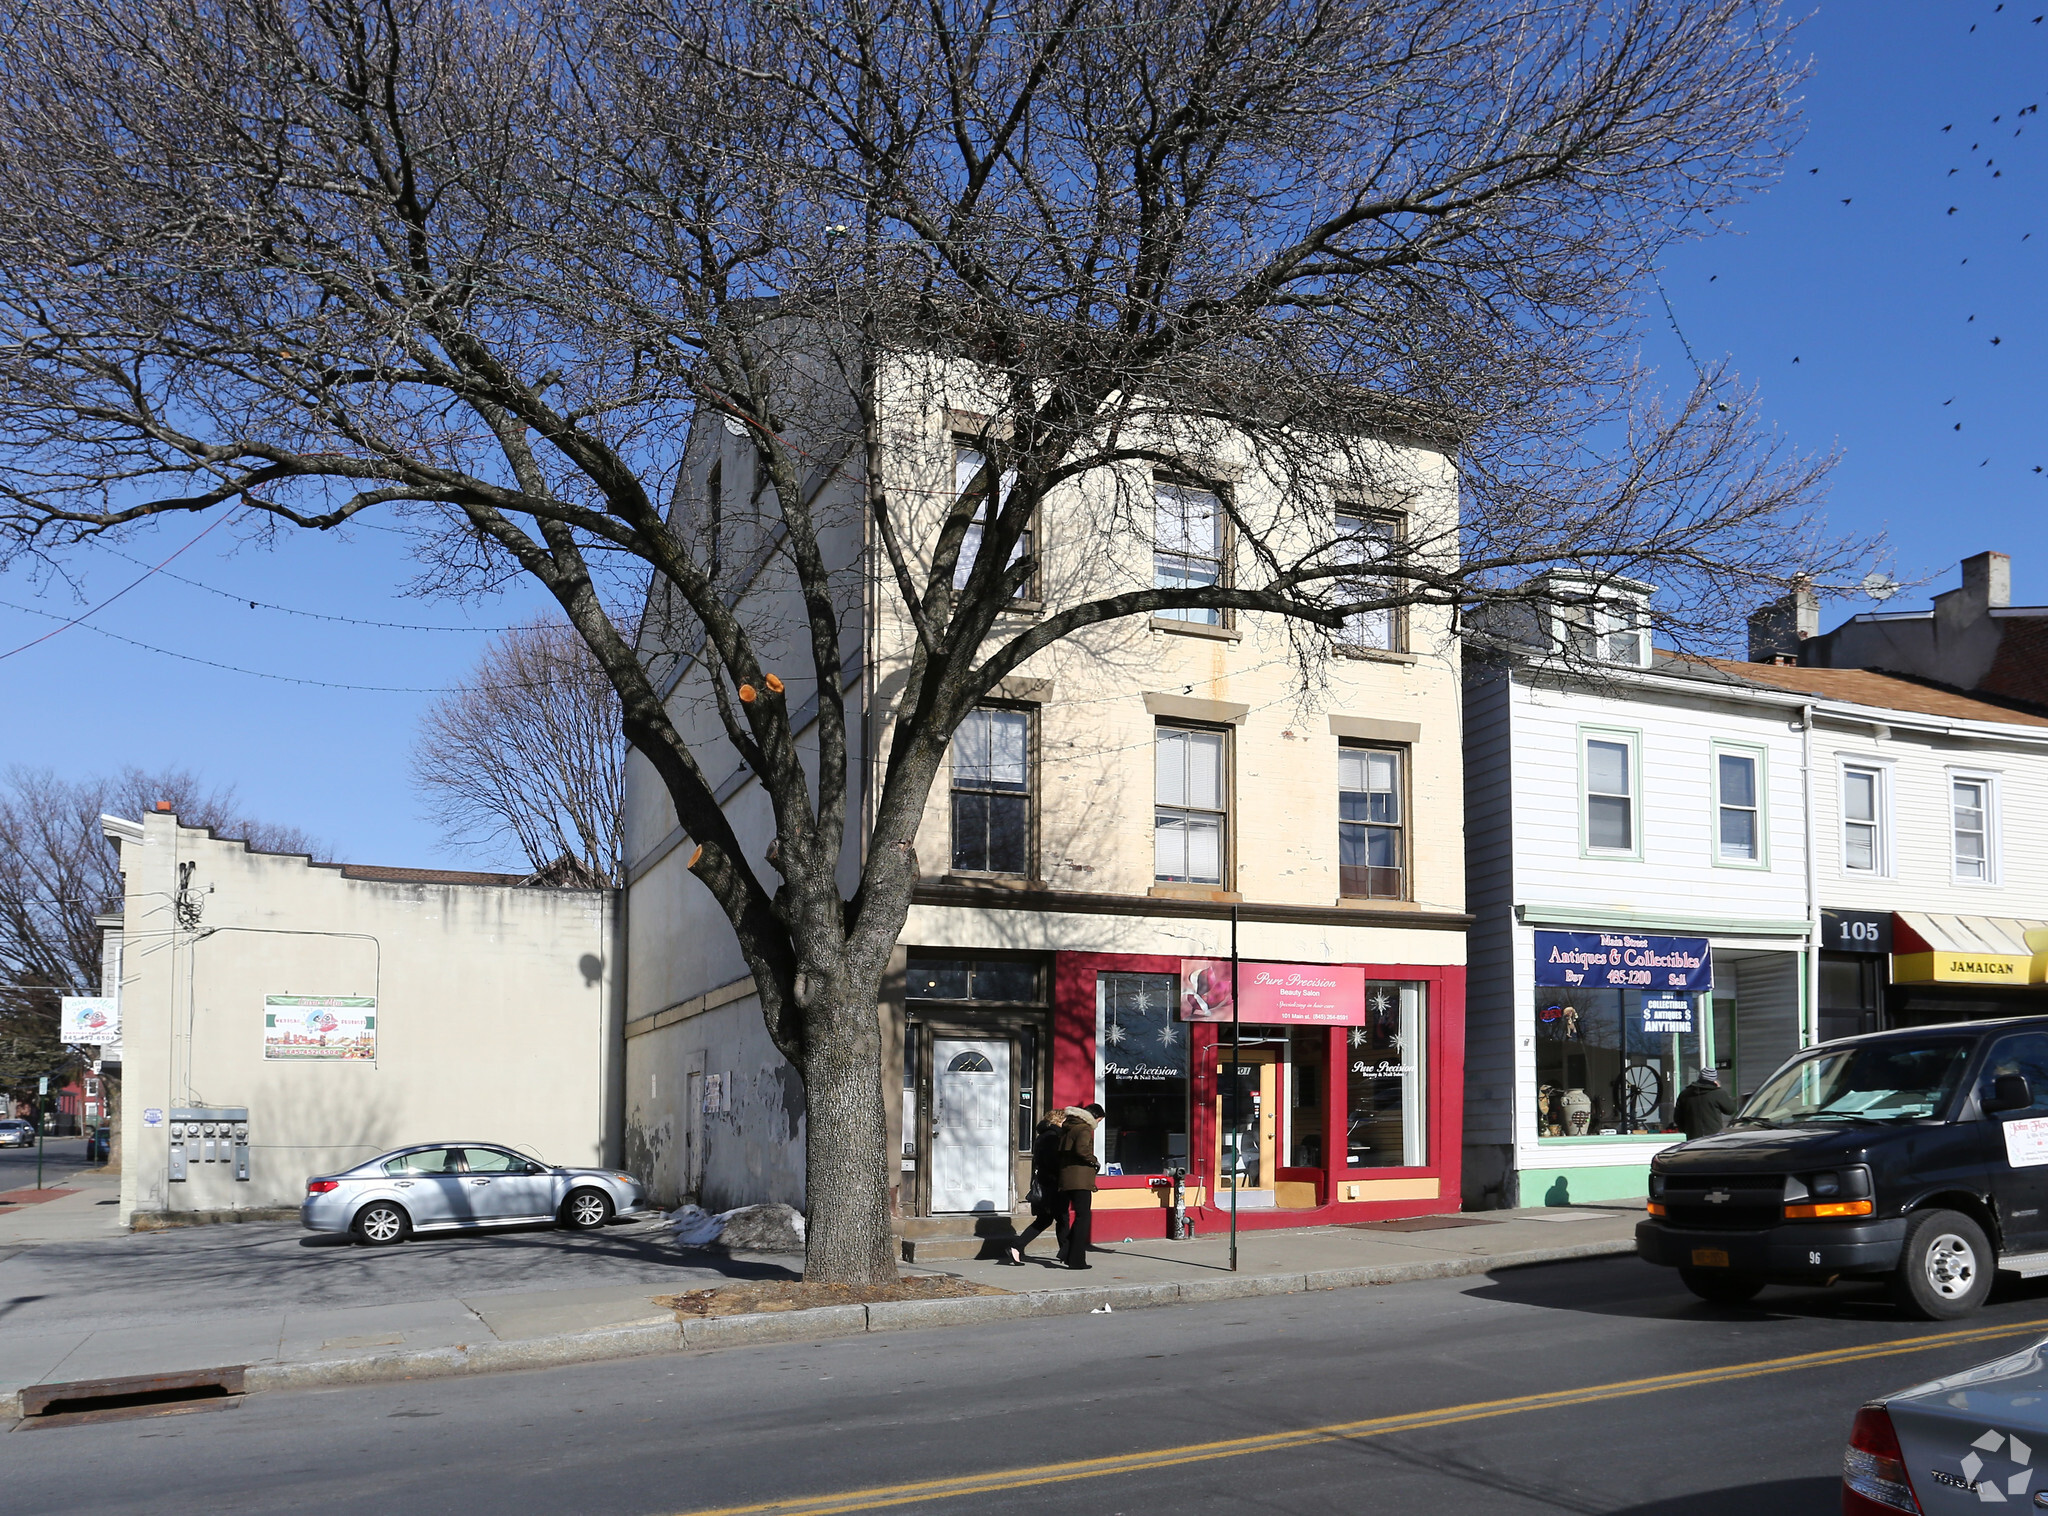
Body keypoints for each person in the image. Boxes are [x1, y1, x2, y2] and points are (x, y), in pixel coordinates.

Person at [1001, 1115, 1066, 1265]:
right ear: (1057, 1121)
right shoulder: (1052, 1136)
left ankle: (1016, 1247)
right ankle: (1066, 1253)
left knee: (1046, 1219)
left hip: (1046, 1183)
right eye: (1064, 1121)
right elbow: (1052, 1162)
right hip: (1051, 1184)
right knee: (1061, 1218)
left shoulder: (1044, 1135)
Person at [1055, 1103, 1104, 1270]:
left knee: (1075, 1216)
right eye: (1099, 1119)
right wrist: (1094, 1161)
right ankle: (1076, 1259)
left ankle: (1067, 1251)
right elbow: (1082, 1150)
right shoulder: (1083, 1129)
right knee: (1083, 1218)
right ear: (1094, 1116)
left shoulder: (1069, 1127)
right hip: (1080, 1179)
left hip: (1067, 1177)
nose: (1099, 1123)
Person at [1674, 1066, 1738, 1140]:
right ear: (1714, 1079)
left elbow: (1678, 1117)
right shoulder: (1718, 1093)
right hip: (1714, 1136)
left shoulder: (1685, 1094)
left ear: (1700, 1077)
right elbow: (1730, 1110)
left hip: (1693, 1137)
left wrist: (1686, 1130)